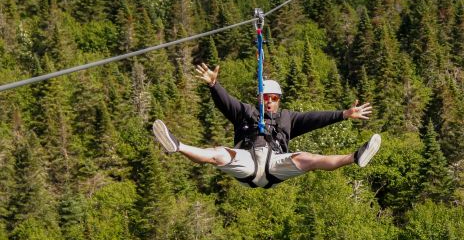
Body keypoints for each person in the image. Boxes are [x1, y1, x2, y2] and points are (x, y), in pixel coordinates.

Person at [152, 63, 381, 188]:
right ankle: (177, 145)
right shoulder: (245, 112)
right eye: (266, 97)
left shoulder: (287, 119)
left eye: (274, 98)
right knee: (219, 154)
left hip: (275, 164)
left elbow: (315, 118)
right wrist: (214, 85)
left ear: (279, 100)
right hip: (248, 161)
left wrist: (344, 114)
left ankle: (355, 157)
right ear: (260, 98)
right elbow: (225, 102)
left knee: (309, 159)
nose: (269, 101)